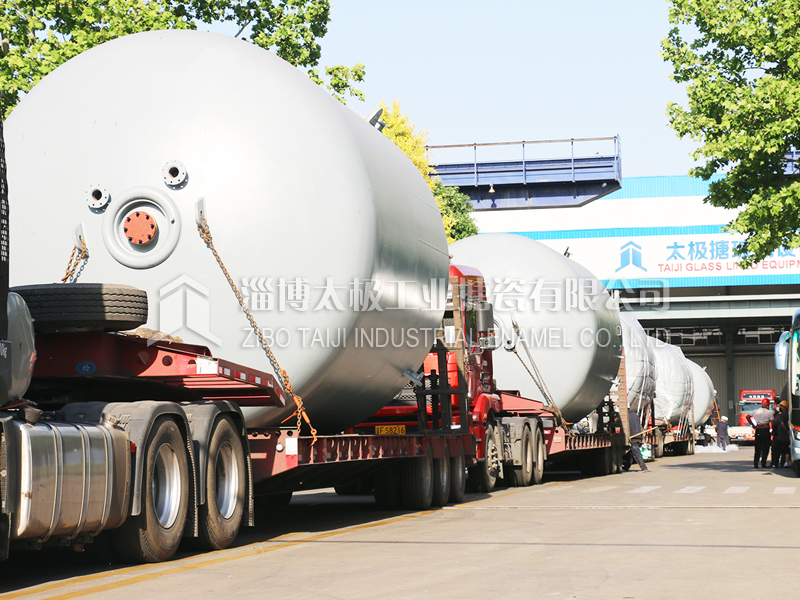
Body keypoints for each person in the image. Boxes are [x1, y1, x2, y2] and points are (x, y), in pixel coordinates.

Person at [747, 399, 774, 468]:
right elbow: (772, 422)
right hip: (765, 430)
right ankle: (763, 463)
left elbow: (748, 416)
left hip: (758, 430)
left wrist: (753, 424)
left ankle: (756, 463)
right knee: (765, 448)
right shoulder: (769, 413)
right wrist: (773, 430)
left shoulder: (756, 411)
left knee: (757, 448)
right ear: (767, 405)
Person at [773, 401, 791, 468]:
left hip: (781, 435)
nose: (780, 407)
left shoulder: (782, 415)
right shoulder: (789, 414)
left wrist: (786, 431)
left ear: (784, 407)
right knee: (786, 450)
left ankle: (775, 463)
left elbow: (782, 423)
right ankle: (784, 463)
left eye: (781, 406)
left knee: (777, 450)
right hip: (787, 436)